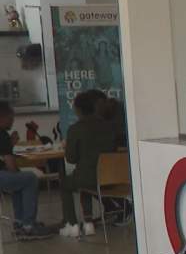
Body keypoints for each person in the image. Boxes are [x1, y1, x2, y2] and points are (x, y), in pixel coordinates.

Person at [59, 92, 117, 237]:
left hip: (87, 178)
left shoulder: (75, 129)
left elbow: (71, 158)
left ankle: (72, 224)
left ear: (78, 110)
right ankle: (88, 221)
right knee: (86, 181)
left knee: (66, 182)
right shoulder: (110, 127)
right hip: (111, 178)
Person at [0, 102, 53, 240]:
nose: (13, 120)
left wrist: (10, 144)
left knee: (19, 180)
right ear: (2, 117)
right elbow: (11, 166)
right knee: (29, 178)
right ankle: (28, 226)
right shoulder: (2, 134)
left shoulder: (4, 137)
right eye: (10, 118)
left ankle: (20, 222)